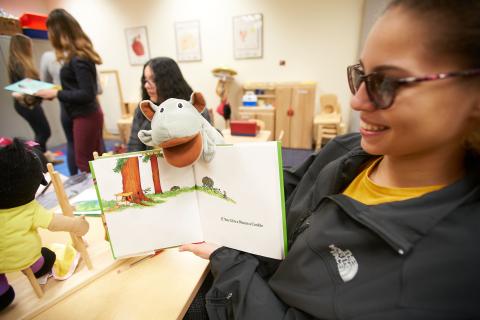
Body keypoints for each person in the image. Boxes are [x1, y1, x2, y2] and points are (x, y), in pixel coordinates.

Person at [180, 0, 480, 318]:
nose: (356, 101)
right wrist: (208, 163)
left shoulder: (441, 277)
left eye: (388, 83)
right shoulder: (353, 150)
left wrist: (229, 261)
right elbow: (290, 186)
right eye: (361, 75)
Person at [36, 9, 104, 173]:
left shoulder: (79, 58)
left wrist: (56, 93)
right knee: (92, 161)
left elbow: (88, 93)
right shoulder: (75, 57)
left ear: (57, 32)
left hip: (85, 114)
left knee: (85, 163)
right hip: (80, 113)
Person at [127, 57, 211, 152]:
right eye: (145, 80)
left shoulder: (193, 108)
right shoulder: (144, 110)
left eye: (153, 79)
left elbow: (209, 142)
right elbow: (133, 147)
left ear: (169, 81)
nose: (146, 85)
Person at [7, 34, 51, 154]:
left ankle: (43, 159)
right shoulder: (20, 65)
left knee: (41, 132)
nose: (31, 49)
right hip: (26, 104)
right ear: (24, 48)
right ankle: (37, 159)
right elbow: (26, 89)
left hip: (25, 104)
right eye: (29, 46)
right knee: (44, 132)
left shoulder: (18, 64)